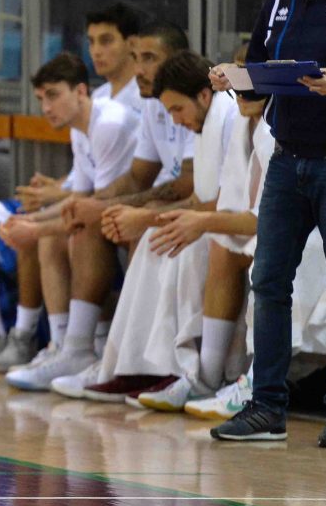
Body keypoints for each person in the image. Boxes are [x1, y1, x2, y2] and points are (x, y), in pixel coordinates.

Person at [209, 0, 326, 448]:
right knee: (269, 280)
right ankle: (266, 406)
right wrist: (232, 79)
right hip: (286, 157)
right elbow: (257, 75)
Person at [0, 4, 141, 372]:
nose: (96, 50)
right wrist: (53, 195)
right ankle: (15, 337)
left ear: (132, 44)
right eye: (92, 41)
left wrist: (46, 210)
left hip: (123, 212)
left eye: (106, 40)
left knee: (53, 235)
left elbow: (105, 195)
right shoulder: (96, 103)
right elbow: (85, 184)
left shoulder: (128, 107)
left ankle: (47, 341)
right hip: (89, 202)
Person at [3, 22, 195, 392]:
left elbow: (187, 185)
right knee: (86, 224)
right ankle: (73, 348)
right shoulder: (152, 107)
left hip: (200, 210)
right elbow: (136, 178)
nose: (139, 69)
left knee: (119, 225)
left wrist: (92, 209)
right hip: (166, 203)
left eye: (149, 58)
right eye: (137, 58)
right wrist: (93, 207)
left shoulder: (119, 119)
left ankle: (134, 361)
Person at [80, 51, 239, 407]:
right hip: (217, 218)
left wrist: (147, 217)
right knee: (156, 237)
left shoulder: (229, 116)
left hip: (237, 224)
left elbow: (230, 201)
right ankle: (136, 367)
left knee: (176, 242)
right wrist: (149, 218)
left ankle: (182, 369)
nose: (176, 120)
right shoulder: (205, 120)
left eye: (178, 110)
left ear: (203, 95)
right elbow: (200, 199)